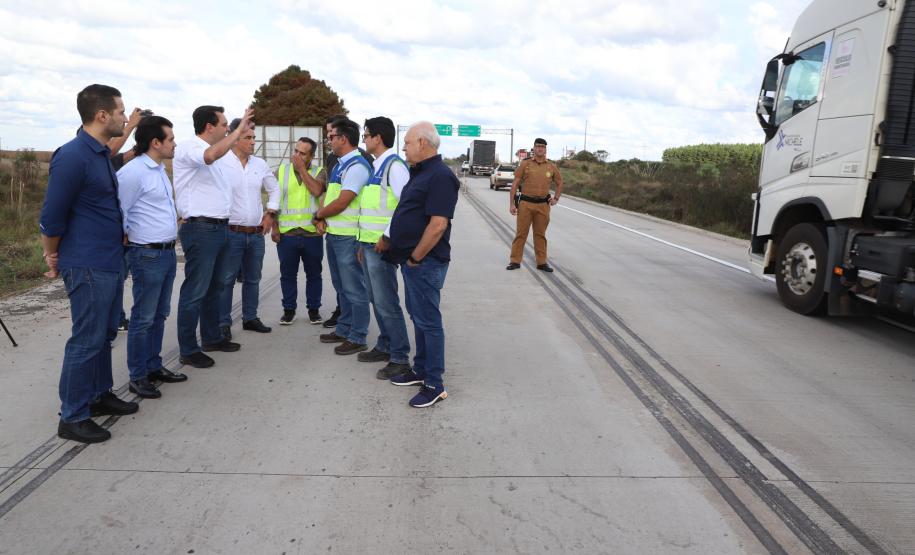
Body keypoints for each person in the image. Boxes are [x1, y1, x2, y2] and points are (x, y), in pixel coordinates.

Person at [40, 84, 138, 443]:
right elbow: (52, 217)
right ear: (101, 115)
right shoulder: (72, 156)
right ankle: (73, 415)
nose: (125, 118)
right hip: (87, 262)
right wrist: (52, 256)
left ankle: (99, 396)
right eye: (120, 111)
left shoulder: (98, 154)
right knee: (87, 339)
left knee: (106, 334)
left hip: (110, 260)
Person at [381, 122, 459, 408]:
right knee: (418, 315)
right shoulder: (421, 172)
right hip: (414, 261)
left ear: (423, 143)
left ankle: (434, 383)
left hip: (425, 261)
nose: (404, 148)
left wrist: (416, 257)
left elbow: (438, 225)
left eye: (407, 143)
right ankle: (421, 368)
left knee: (429, 320)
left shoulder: (440, 176)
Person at [173, 105, 253, 368]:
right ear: (209, 127)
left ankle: (211, 337)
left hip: (219, 228)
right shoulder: (190, 147)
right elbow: (209, 155)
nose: (228, 129)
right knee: (196, 290)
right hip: (201, 229)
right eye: (224, 125)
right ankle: (188, 347)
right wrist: (238, 132)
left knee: (215, 288)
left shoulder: (220, 156)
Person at [117, 116, 188, 400]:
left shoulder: (158, 169)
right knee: (143, 317)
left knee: (160, 314)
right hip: (146, 254)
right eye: (170, 138)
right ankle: (138, 375)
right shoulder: (133, 172)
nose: (174, 143)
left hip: (167, 252)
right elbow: (119, 210)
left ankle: (153, 366)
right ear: (155, 142)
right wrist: (126, 236)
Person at [357, 117, 412, 379]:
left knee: (387, 302)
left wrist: (387, 238)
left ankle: (400, 357)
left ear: (378, 138)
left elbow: (405, 208)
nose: (364, 140)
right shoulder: (376, 166)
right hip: (368, 244)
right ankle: (385, 344)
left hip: (381, 247)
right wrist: (361, 241)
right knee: (375, 299)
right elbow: (370, 210)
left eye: (366, 135)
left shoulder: (394, 167)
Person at [313, 118, 372, 356]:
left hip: (348, 237)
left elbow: (342, 202)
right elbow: (330, 197)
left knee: (354, 289)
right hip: (336, 234)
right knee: (341, 287)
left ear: (343, 139)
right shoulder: (339, 164)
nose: (329, 141)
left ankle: (358, 336)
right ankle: (345, 328)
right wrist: (324, 219)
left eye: (331, 137)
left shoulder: (356, 166)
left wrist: (318, 215)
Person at [217, 118, 279, 337]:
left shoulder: (260, 164)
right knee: (226, 280)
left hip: (255, 234)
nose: (253, 142)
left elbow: (274, 189)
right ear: (233, 139)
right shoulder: (220, 163)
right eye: (248, 138)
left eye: (254, 137)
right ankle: (222, 323)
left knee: (253, 279)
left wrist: (270, 213)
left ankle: (250, 318)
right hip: (230, 233)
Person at [273, 136, 326, 325]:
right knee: (287, 275)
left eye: (302, 153)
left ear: (311, 156)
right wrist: (275, 227)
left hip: (312, 234)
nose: (296, 156)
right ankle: (288, 310)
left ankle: (314, 310)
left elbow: (316, 191)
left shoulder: (320, 172)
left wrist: (302, 169)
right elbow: (274, 201)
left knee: (314, 274)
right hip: (287, 234)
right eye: (295, 151)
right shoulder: (281, 171)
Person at [506, 138, 563, 272]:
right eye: (538, 146)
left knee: (540, 235)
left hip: (543, 205)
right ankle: (515, 261)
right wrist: (512, 204)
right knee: (521, 234)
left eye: (542, 147)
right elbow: (515, 184)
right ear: (534, 148)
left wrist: (556, 198)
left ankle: (542, 263)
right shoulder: (525, 164)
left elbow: (560, 182)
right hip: (525, 204)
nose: (540, 149)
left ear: (545, 149)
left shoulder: (551, 166)